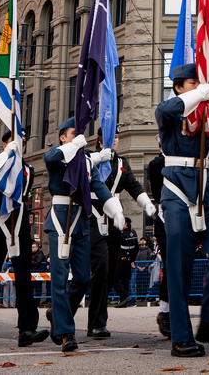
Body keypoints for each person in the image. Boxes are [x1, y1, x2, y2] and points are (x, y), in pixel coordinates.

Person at [155, 63, 209, 358]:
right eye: (193, 83)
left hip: (208, 193)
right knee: (179, 267)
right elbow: (165, 110)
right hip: (177, 192)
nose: (200, 87)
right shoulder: (171, 114)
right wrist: (196, 95)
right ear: (179, 87)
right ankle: (181, 338)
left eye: (201, 83)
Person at [43, 120, 122, 352]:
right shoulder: (58, 156)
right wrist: (74, 146)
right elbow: (49, 158)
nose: (78, 137)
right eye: (73, 133)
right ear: (63, 137)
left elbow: (99, 186)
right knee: (59, 279)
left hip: (81, 220)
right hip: (61, 217)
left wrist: (115, 210)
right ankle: (66, 332)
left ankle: (58, 314)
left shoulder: (86, 161)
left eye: (80, 134)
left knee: (82, 278)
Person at [0, 132, 53, 348]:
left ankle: (27, 329)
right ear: (5, 144)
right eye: (14, 142)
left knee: (23, 277)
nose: (19, 145)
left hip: (19, 225)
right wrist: (5, 154)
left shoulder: (28, 169)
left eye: (22, 143)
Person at [87, 130, 156, 338]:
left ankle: (95, 320)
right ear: (100, 139)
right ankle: (93, 321)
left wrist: (146, 202)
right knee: (99, 268)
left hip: (114, 220)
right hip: (92, 217)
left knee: (110, 272)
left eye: (117, 136)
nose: (115, 139)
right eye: (111, 135)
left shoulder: (121, 163)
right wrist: (98, 157)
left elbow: (133, 185)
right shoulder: (90, 159)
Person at [146, 150, 171, 338]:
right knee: (171, 267)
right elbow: (157, 191)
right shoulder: (158, 164)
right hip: (166, 218)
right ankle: (165, 311)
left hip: (188, 217)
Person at [115, 217, 140, 307]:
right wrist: (132, 260)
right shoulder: (134, 233)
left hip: (121, 260)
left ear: (125, 224)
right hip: (129, 261)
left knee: (114, 280)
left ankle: (125, 297)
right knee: (125, 280)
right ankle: (124, 302)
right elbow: (137, 248)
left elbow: (117, 249)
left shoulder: (121, 235)